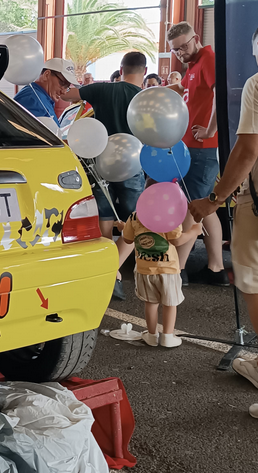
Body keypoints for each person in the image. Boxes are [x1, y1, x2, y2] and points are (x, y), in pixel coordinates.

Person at [190, 27, 258, 399]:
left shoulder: (256, 85)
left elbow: (247, 151)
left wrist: (213, 200)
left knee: (251, 281)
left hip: (255, 206)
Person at [64, 50, 148, 299]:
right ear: (144, 72)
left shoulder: (102, 89)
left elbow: (68, 94)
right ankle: (115, 269)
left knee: (104, 214)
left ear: (121, 70)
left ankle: (108, 269)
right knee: (136, 220)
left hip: (100, 161)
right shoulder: (145, 98)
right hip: (133, 164)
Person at [166, 23, 227, 286]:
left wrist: (210, 129)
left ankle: (178, 269)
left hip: (203, 148)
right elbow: (187, 92)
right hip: (191, 146)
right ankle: (216, 268)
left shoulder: (208, 59)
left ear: (196, 38)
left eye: (184, 46)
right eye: (176, 50)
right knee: (204, 205)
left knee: (192, 206)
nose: (181, 52)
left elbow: (220, 94)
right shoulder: (193, 65)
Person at [121, 207, 202, 347]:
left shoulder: (135, 216)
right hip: (168, 269)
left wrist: (123, 228)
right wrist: (194, 231)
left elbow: (127, 240)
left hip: (144, 269)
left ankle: (152, 335)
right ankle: (168, 337)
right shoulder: (169, 216)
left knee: (151, 303)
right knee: (170, 303)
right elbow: (177, 240)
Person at [14, 58, 80, 127]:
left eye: (67, 87)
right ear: (46, 75)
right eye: (63, 83)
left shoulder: (40, 97)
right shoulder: (33, 100)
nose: (64, 92)